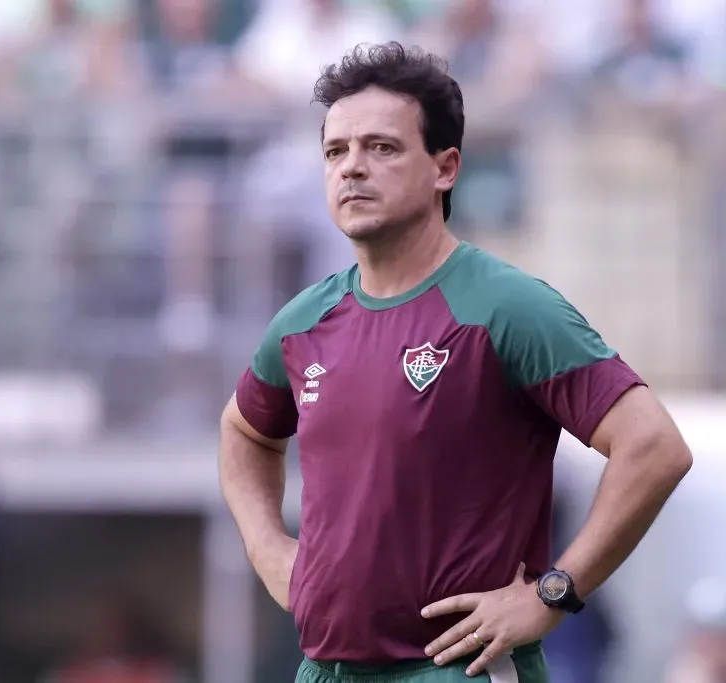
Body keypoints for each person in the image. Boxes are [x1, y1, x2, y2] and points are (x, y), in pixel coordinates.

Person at [217, 43, 693, 683]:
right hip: (326, 670)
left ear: (445, 169)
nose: (352, 168)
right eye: (337, 151)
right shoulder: (304, 320)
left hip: (460, 670)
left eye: (381, 148)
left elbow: (654, 447)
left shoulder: (505, 306)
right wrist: (268, 547)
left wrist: (554, 593)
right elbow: (244, 431)